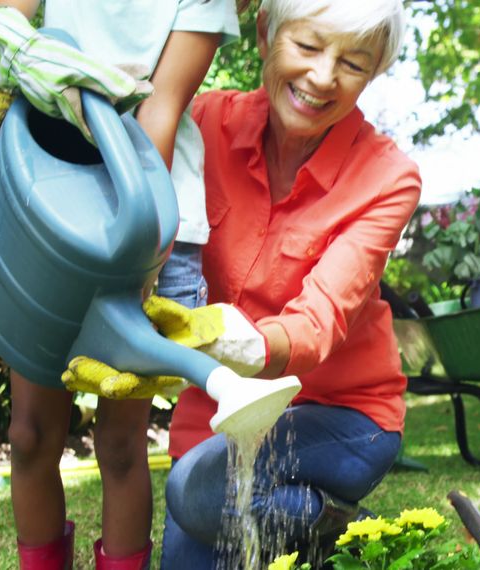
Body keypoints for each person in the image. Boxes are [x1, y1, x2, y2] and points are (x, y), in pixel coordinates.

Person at [135, 0, 419, 566]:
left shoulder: (387, 177)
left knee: (197, 495)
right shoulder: (203, 125)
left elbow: (320, 321)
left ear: (375, 72)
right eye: (308, 46)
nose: (322, 77)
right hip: (224, 411)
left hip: (342, 417)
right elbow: (122, 167)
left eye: (354, 63)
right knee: (198, 510)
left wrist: (243, 341)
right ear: (266, 34)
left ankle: (337, 527)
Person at [0, 1, 240, 567]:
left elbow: (159, 112)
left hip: (150, 208)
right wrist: (17, 64)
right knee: (30, 433)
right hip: (52, 199)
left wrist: (138, 257)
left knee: (121, 446)